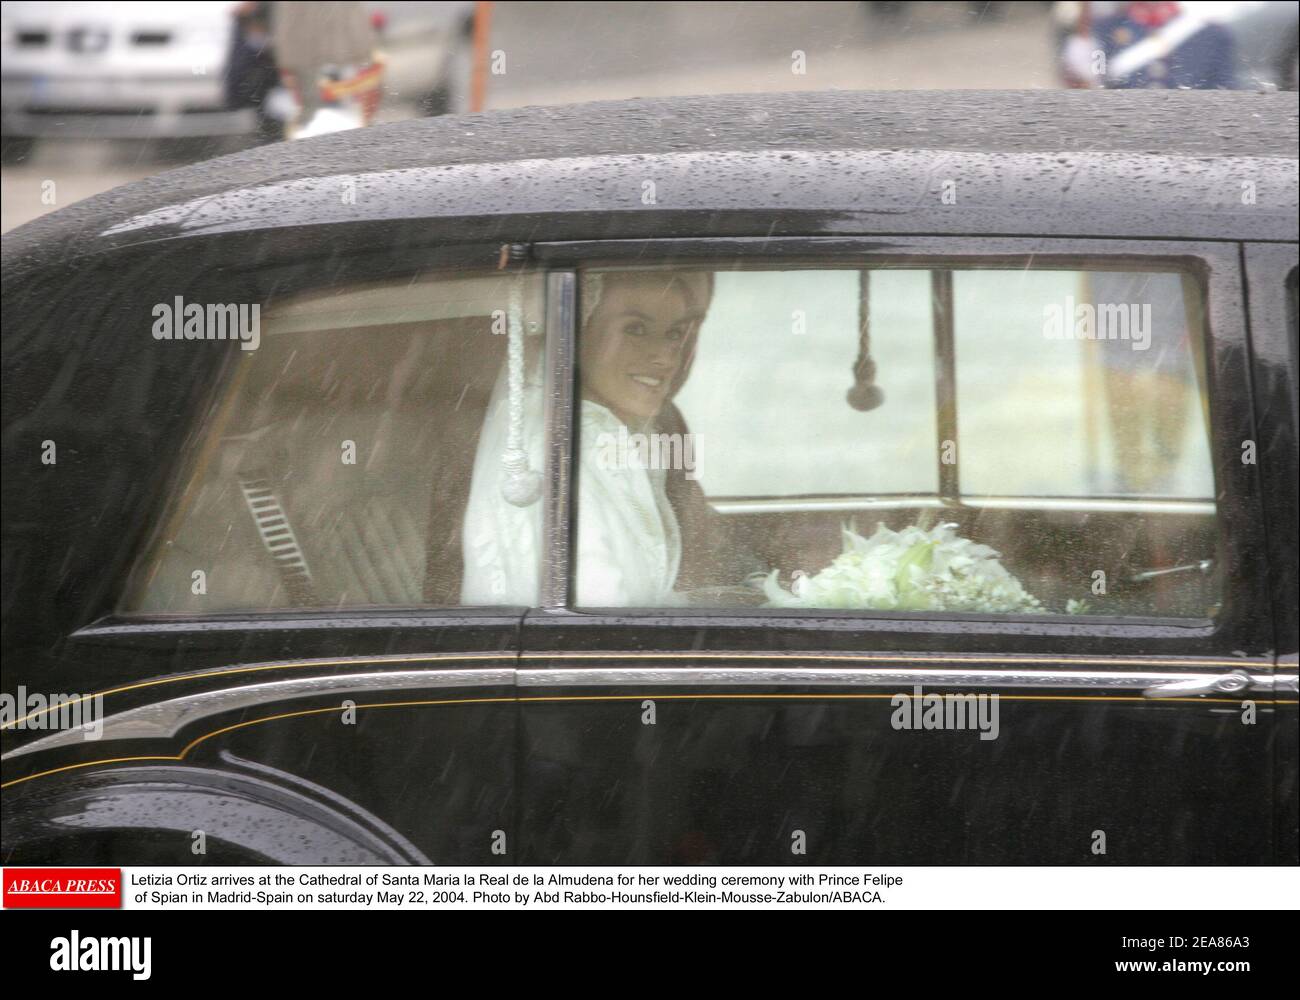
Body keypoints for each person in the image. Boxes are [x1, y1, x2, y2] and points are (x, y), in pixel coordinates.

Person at [461, 270, 714, 606]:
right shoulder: (550, 454)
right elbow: (598, 624)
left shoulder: (616, 434)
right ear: (576, 334)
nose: (667, 357)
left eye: (674, 334)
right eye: (636, 329)